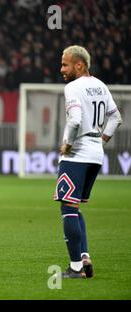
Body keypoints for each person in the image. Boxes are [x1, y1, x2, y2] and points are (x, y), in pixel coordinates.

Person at [55, 45, 122, 278]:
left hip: (78, 153)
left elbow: (74, 120)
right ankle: (84, 257)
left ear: (79, 64)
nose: (61, 68)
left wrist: (69, 145)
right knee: (75, 206)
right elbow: (116, 117)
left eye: (65, 64)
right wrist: (101, 140)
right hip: (95, 153)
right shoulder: (100, 86)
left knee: (67, 206)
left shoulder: (73, 87)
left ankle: (75, 268)